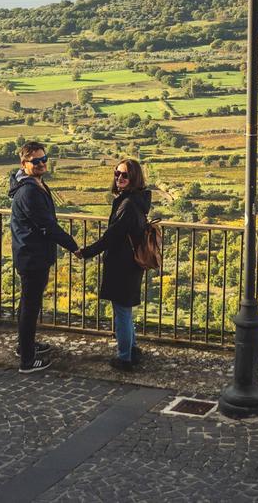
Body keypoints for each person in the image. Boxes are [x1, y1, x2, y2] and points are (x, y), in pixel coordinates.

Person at [9, 141, 78, 374]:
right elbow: (48, 225)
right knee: (30, 306)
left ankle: (24, 346)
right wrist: (74, 246)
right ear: (24, 163)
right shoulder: (29, 191)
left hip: (31, 253)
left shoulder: (32, 183)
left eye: (43, 158)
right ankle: (27, 361)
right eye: (35, 161)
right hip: (33, 256)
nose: (41, 164)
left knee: (29, 304)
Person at [77, 158, 151, 372]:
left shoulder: (127, 205)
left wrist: (87, 252)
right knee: (124, 310)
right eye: (117, 173)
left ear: (134, 178)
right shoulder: (137, 201)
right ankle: (132, 349)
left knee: (122, 312)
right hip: (131, 263)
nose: (119, 178)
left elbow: (112, 236)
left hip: (122, 265)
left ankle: (124, 358)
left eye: (125, 175)